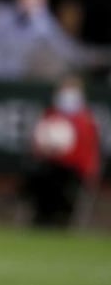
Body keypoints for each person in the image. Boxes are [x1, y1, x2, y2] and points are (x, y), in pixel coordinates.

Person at [18, 75, 103, 228]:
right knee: (38, 173)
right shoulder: (50, 115)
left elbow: (86, 156)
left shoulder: (86, 120)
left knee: (59, 179)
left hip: (74, 172)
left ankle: (59, 217)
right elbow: (37, 144)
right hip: (50, 167)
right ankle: (41, 215)